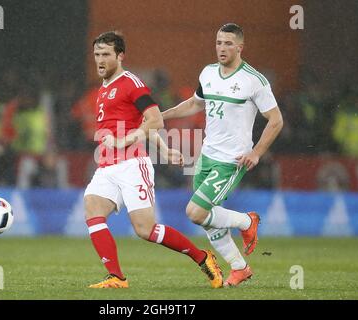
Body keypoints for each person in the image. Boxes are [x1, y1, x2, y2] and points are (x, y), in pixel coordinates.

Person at [84, 31, 223, 289]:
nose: (100, 60)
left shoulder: (131, 83)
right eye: (96, 54)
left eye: (105, 54)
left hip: (132, 164)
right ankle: (116, 277)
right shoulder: (104, 88)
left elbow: (155, 119)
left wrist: (125, 141)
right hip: (106, 165)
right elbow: (142, 122)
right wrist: (165, 148)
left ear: (120, 56)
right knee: (92, 210)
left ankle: (202, 257)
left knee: (145, 230)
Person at [162, 23, 283, 286]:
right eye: (218, 42)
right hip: (207, 155)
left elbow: (275, 120)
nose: (222, 48)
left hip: (232, 160)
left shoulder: (254, 80)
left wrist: (257, 152)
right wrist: (162, 116)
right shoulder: (208, 73)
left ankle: (245, 220)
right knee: (207, 219)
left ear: (240, 47)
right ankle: (240, 268)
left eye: (228, 43)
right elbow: (195, 104)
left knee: (195, 212)